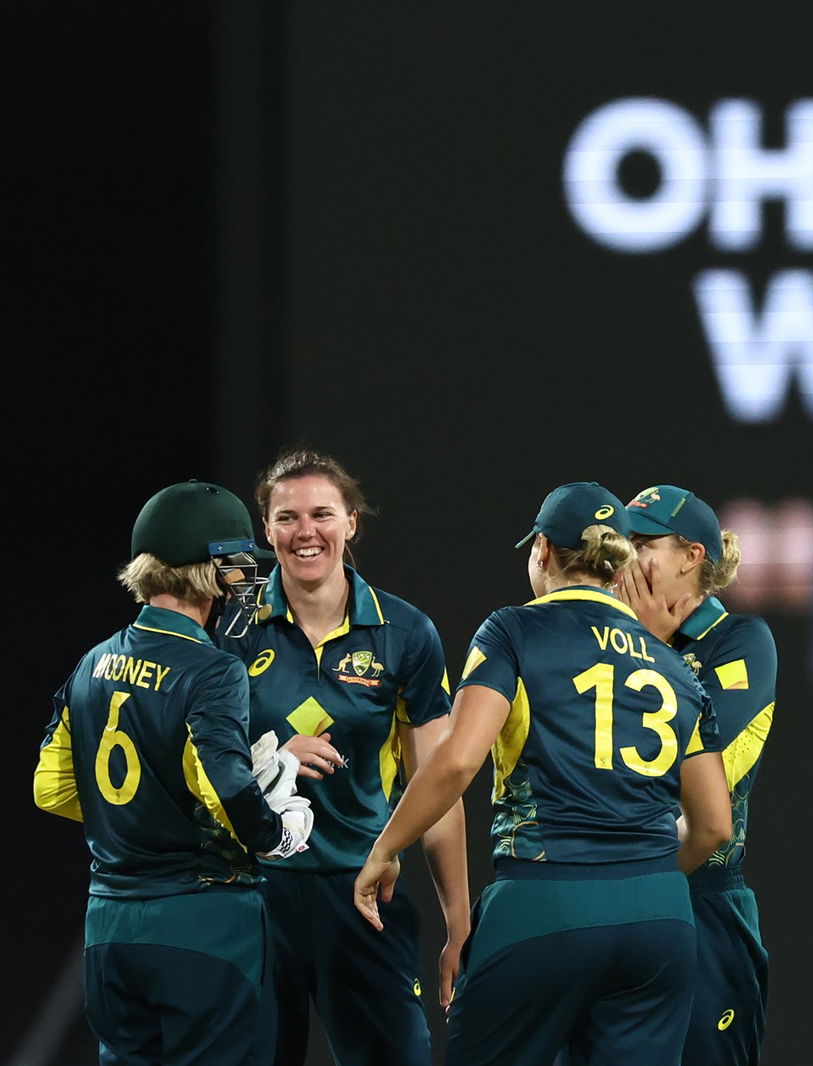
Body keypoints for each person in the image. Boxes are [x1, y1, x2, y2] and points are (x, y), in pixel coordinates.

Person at [353, 481, 734, 1066]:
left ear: (541, 552)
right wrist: (637, 875)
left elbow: (456, 759)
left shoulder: (514, 631)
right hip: (658, 918)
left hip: (544, 898)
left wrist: (386, 848)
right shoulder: (676, 664)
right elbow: (713, 827)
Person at [34, 479, 314, 1066]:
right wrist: (275, 831)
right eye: (236, 560)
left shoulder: (92, 661)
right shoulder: (213, 670)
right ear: (206, 567)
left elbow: (52, 787)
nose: (247, 575)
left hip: (109, 925)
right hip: (203, 920)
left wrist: (146, 812)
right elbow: (227, 788)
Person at [224, 449, 467, 1066]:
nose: (306, 532)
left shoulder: (405, 633)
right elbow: (192, 756)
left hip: (363, 893)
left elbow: (437, 784)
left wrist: (457, 920)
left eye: (322, 514)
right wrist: (270, 756)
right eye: (287, 518)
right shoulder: (229, 628)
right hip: (252, 891)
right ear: (267, 529)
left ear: (352, 522)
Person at [617, 484, 777, 1066]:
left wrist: (644, 647)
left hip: (701, 900)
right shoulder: (601, 639)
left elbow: (677, 770)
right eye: (620, 542)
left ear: (693, 556)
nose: (625, 559)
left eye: (642, 543)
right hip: (608, 893)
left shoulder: (741, 641)